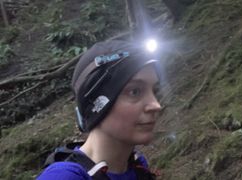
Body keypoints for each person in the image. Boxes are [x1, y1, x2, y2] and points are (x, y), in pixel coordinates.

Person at [37, 39, 163, 180]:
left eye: (154, 91)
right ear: (97, 105)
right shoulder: (63, 177)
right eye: (134, 92)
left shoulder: (137, 166)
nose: (156, 105)